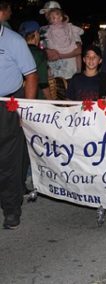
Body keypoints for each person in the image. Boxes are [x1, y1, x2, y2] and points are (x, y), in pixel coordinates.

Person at [0, 23, 38, 229]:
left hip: (7, 105)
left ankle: (11, 208)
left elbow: (31, 75)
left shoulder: (14, 41)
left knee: (8, 161)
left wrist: (26, 110)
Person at [44, 8, 84, 78]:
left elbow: (78, 51)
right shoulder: (45, 31)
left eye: (49, 12)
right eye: (45, 13)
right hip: (54, 75)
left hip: (69, 73)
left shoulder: (70, 29)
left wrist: (58, 55)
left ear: (60, 16)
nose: (46, 15)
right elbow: (43, 52)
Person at [18, 20, 51, 99]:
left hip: (19, 97)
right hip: (36, 98)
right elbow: (43, 84)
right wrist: (52, 101)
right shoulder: (39, 54)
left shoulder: (17, 51)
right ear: (36, 34)